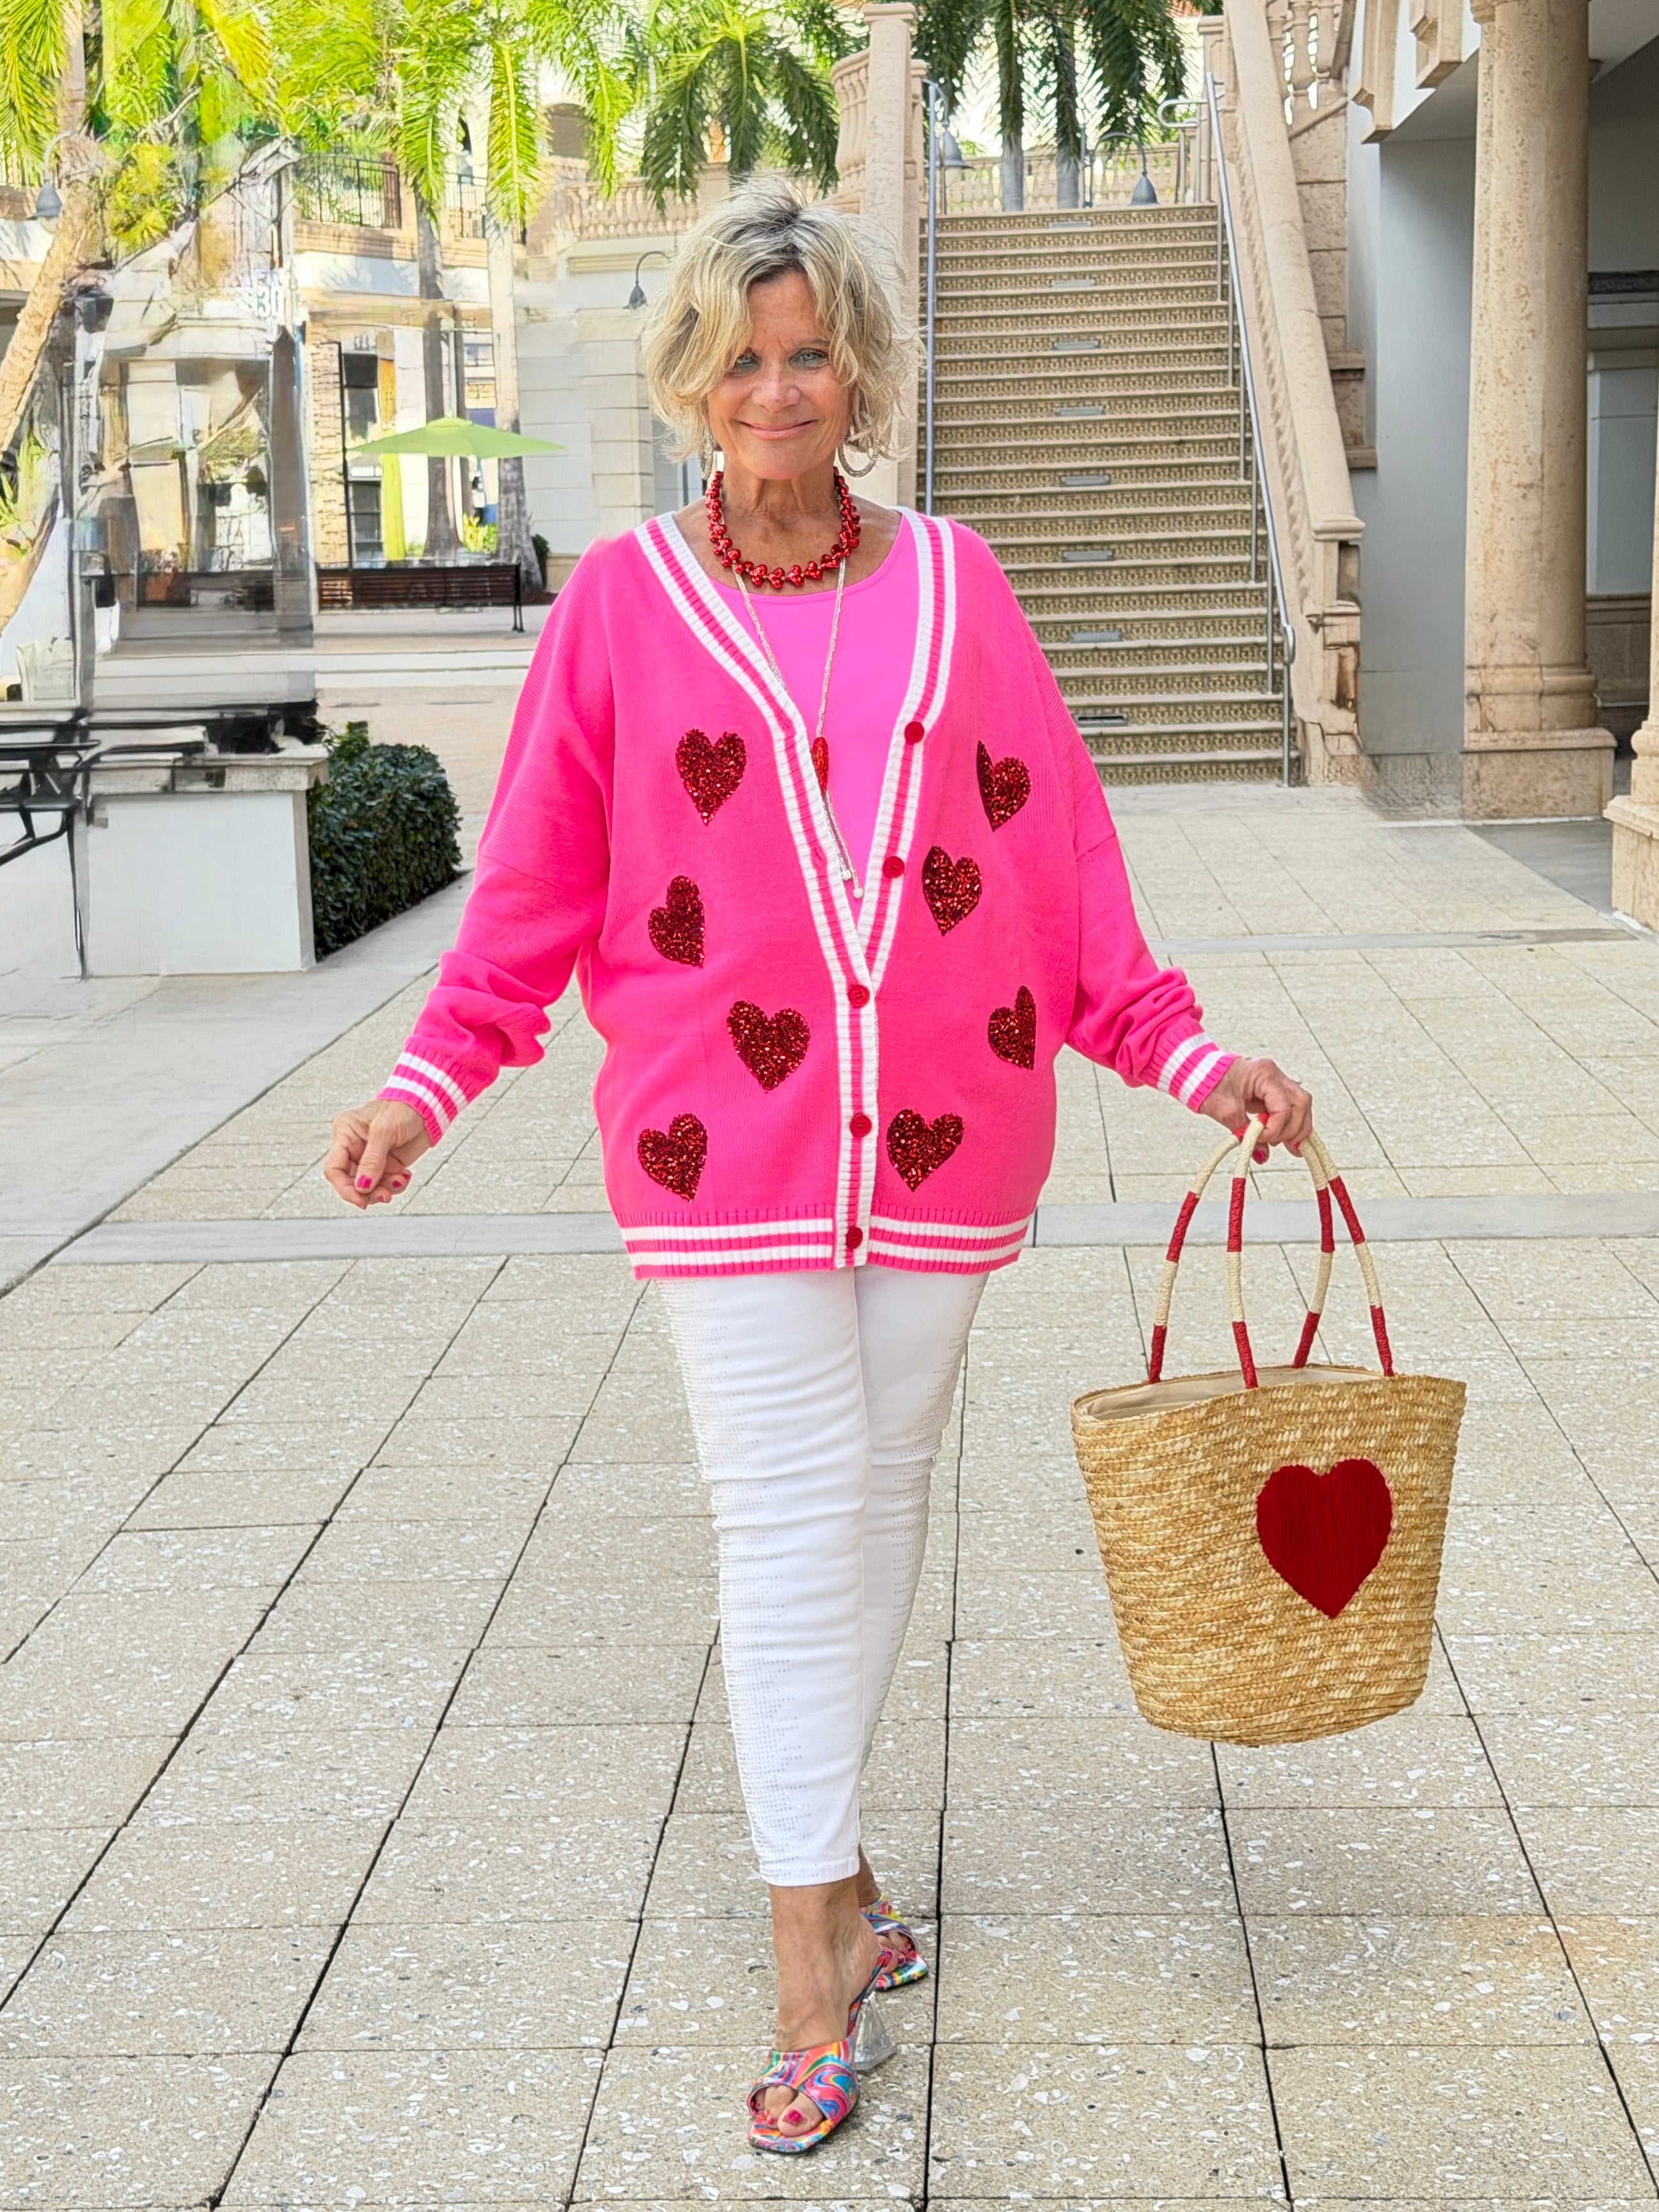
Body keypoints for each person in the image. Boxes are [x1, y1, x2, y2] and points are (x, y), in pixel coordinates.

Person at [324, 179, 1312, 2155]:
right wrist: (433, 1081)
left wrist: (1187, 1051)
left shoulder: (956, 584)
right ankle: (808, 1960)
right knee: (784, 1521)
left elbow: (1055, 857)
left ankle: (842, 1875)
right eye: (738, 358)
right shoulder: (620, 603)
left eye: (807, 355)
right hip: (721, 1149)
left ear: (856, 370)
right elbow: (533, 881)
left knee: (877, 1503)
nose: (775, 390)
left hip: (950, 1140)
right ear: (690, 380)